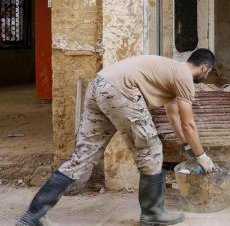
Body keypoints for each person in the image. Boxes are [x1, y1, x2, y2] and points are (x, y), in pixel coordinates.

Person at [17, 49, 218, 226]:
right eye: (208, 73)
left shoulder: (172, 72)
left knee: (84, 156)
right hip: (120, 90)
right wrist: (202, 156)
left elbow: (174, 117)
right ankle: (152, 213)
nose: (207, 77)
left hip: (99, 85)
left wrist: (188, 147)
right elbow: (188, 124)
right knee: (151, 150)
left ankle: (33, 215)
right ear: (204, 68)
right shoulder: (184, 77)